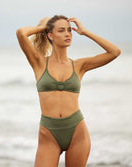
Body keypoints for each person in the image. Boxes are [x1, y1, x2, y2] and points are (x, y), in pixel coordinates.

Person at [16, 15, 121, 167]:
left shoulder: (79, 65)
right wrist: (43, 27)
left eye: (69, 30)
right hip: (48, 134)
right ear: (50, 35)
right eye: (61, 30)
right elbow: (21, 33)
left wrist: (85, 32)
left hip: (77, 131)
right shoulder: (38, 63)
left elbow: (115, 52)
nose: (68, 34)